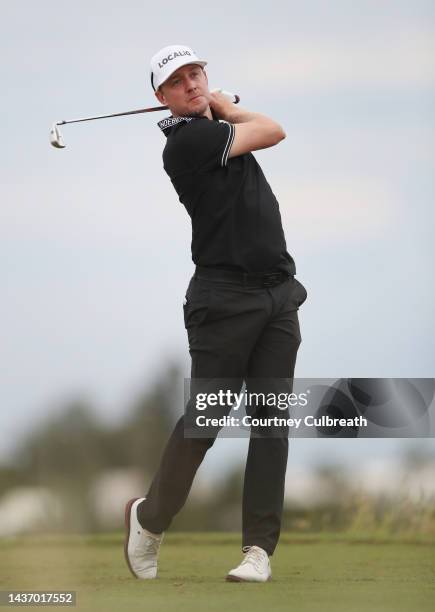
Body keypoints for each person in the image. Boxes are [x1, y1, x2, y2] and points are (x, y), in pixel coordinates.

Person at [124, 44, 307, 583]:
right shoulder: (188, 141)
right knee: (206, 421)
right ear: (162, 98)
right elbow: (273, 129)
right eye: (178, 81)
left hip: (277, 295)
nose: (191, 83)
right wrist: (226, 108)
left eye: (197, 73)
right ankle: (149, 519)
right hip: (222, 300)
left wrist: (222, 107)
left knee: (272, 423)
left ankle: (258, 552)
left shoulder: (213, 128)